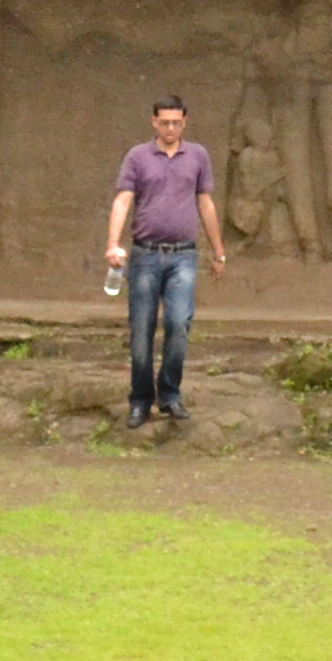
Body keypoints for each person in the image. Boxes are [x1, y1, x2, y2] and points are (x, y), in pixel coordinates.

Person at [102, 97, 224, 433]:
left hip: (183, 255)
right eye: (164, 122)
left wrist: (218, 252)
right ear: (153, 122)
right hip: (145, 255)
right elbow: (123, 199)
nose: (171, 128)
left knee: (178, 322)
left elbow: (205, 203)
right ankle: (140, 400)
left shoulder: (197, 156)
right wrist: (113, 243)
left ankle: (169, 394)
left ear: (185, 122)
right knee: (141, 330)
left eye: (177, 123)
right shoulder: (138, 156)